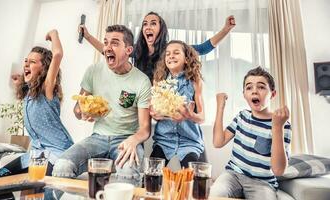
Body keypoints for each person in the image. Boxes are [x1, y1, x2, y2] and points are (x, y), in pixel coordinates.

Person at [52, 25, 151, 186]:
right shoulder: (93, 71)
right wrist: (81, 112)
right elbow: (77, 109)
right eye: (105, 42)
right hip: (97, 138)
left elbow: (145, 129)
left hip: (126, 139)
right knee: (62, 166)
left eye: (115, 43)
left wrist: (133, 140)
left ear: (128, 50)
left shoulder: (141, 81)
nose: (107, 48)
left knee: (128, 174)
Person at [0, 29, 74, 179]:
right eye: (26, 61)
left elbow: (58, 55)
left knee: (37, 184)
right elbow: (26, 87)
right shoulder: (28, 94)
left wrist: (54, 34)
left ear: (44, 69)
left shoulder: (47, 88)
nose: (26, 64)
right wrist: (18, 82)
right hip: (35, 155)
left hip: (57, 153)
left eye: (32, 62)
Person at [210, 67, 292, 199]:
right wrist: (220, 107)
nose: (254, 91)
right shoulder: (242, 117)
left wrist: (277, 127)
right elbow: (218, 142)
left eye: (261, 87)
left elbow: (278, 170)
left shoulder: (283, 124)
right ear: (244, 95)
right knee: (215, 194)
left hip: (263, 183)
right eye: (249, 88)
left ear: (273, 94)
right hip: (232, 175)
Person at [80, 12, 236, 81]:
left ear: (161, 29)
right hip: (139, 98)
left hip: (160, 102)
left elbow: (203, 48)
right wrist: (87, 36)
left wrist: (225, 29)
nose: (148, 27)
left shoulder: (170, 50)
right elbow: (109, 51)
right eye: (145, 24)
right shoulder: (136, 50)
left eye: (153, 23)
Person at [149, 40, 205, 168]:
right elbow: (153, 111)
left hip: (189, 141)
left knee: (195, 180)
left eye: (176, 53)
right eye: (168, 54)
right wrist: (155, 114)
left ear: (186, 59)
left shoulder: (195, 81)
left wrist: (189, 115)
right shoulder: (158, 80)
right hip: (164, 140)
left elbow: (202, 117)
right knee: (150, 176)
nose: (171, 56)